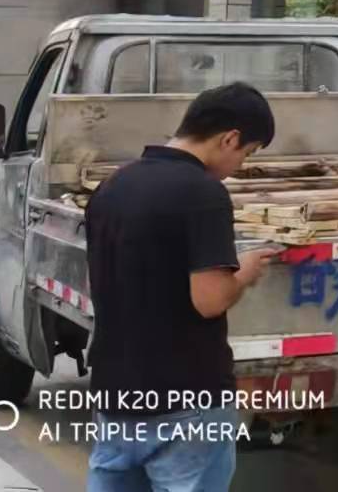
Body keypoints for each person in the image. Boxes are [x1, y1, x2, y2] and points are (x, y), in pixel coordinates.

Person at [85, 81, 277, 492]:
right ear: (230, 138)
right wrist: (244, 272)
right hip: (187, 399)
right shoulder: (203, 194)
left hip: (116, 394)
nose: (239, 164)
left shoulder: (114, 185)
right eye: (246, 153)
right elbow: (209, 300)